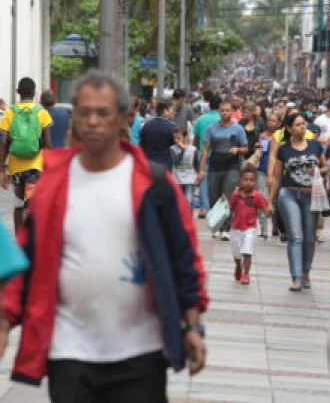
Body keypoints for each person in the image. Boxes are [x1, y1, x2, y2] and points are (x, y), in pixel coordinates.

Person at [0, 69, 208, 401]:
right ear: (74, 120)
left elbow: (183, 258)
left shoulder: (152, 183)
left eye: (103, 113)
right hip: (69, 351)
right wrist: (5, 322)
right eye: (84, 113)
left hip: (141, 353)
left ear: (123, 118)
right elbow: (28, 258)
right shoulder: (54, 182)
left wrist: (193, 326)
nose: (93, 121)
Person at [269, 113, 326, 292]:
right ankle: (296, 276)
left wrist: (319, 169)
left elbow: (326, 167)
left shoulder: (316, 146)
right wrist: (270, 201)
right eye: (298, 124)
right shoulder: (284, 149)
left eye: (304, 124)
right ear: (289, 128)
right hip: (289, 195)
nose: (302, 127)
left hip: (311, 196)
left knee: (309, 238)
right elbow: (278, 177)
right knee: (296, 236)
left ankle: (306, 272)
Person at [0, 77, 52, 231]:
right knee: (31, 203)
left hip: (16, 166)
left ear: (18, 93)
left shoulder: (10, 113)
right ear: (34, 92)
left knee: (18, 204)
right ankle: (29, 238)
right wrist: (50, 165)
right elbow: (47, 142)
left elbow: (5, 143)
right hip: (35, 166)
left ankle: (19, 239)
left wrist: (2, 168)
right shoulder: (41, 113)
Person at [197, 102, 248, 241]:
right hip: (214, 166)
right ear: (219, 112)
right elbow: (206, 149)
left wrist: (237, 149)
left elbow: (245, 148)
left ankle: (226, 228)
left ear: (232, 112)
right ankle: (216, 227)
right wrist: (201, 169)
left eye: (227, 110)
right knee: (213, 197)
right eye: (222, 110)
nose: (224, 113)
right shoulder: (211, 129)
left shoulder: (238, 129)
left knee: (227, 195)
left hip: (232, 167)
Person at [229, 168, 272, 285]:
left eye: (251, 180)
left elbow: (264, 206)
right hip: (236, 228)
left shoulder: (256, 195)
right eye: (245, 179)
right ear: (240, 181)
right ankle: (238, 266)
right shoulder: (235, 194)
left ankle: (246, 274)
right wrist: (232, 199)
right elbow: (231, 208)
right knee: (237, 254)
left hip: (250, 228)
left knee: (247, 252)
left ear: (255, 182)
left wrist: (268, 210)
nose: (248, 182)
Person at [193, 93, 222, 218]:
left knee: (203, 180)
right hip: (220, 155)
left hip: (203, 154)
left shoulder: (201, 119)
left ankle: (204, 207)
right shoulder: (224, 119)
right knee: (218, 181)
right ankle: (218, 208)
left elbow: (196, 138)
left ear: (209, 105)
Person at [257, 113, 280, 239]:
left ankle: (276, 226)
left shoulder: (280, 137)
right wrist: (256, 147)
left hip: (277, 172)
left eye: (274, 121)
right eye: (269, 120)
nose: (271, 123)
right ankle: (264, 228)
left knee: (275, 201)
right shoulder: (262, 136)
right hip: (262, 170)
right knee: (262, 199)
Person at [140, 100, 176, 170]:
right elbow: (175, 145)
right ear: (165, 111)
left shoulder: (146, 126)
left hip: (149, 164)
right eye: (172, 110)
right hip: (165, 166)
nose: (174, 113)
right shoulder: (172, 127)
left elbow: (142, 145)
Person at [170, 128, 199, 205]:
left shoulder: (193, 149)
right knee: (178, 199)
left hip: (190, 177)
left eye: (179, 138)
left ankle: (189, 215)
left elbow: (196, 163)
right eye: (175, 138)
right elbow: (176, 162)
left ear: (185, 137)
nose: (176, 140)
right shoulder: (172, 149)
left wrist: (198, 175)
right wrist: (182, 149)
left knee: (189, 199)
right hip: (177, 178)